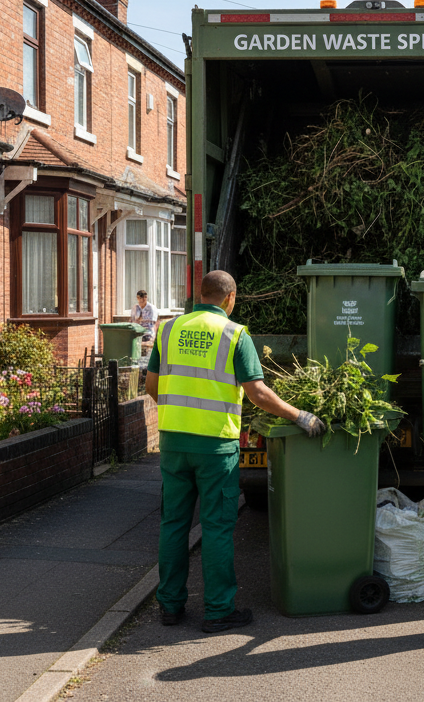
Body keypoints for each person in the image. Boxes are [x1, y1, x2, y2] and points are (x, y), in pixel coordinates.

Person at [146, 270, 326, 633]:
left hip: (174, 443)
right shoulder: (234, 334)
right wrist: (300, 415)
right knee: (215, 528)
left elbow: (151, 385)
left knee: (173, 525)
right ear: (231, 298)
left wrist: (178, 414)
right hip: (215, 447)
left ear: (201, 295)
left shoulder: (168, 330)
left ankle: (170, 607)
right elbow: (258, 393)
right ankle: (217, 610)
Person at [131, 290, 158, 360]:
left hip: (148, 333)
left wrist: (152, 338)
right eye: (140, 298)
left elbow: (154, 323)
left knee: (146, 354)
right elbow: (133, 320)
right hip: (138, 333)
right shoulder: (136, 308)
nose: (141, 300)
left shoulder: (151, 308)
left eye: (144, 298)